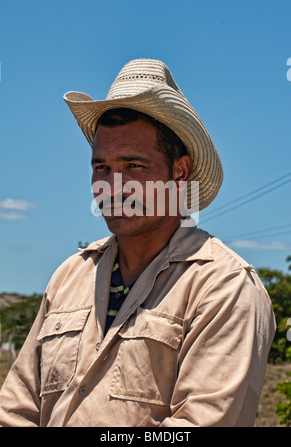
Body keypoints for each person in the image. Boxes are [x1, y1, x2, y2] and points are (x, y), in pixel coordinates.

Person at [0, 59, 275, 427]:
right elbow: (15, 409)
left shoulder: (224, 287)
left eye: (134, 166)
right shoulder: (70, 276)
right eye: (101, 167)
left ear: (179, 173)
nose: (113, 186)